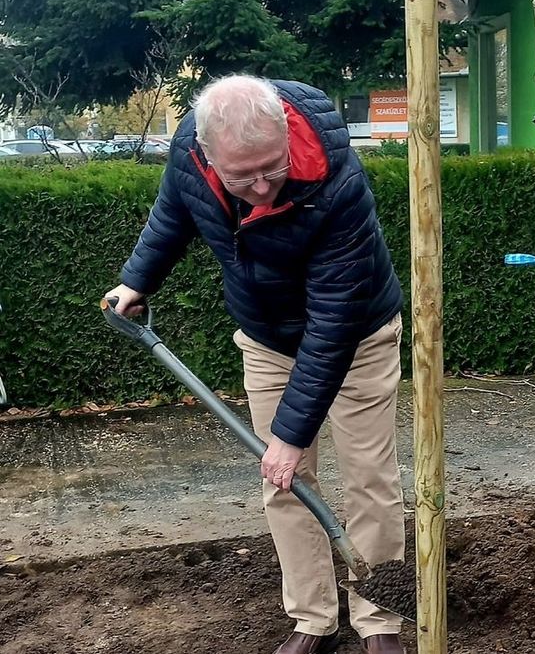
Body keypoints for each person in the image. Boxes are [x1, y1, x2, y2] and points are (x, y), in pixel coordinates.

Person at [106, 75, 408, 654]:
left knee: (369, 477)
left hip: (357, 335)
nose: (264, 187)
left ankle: (381, 622)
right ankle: (314, 619)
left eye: (273, 166)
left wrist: (292, 435)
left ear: (285, 136)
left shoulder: (335, 180)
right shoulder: (191, 151)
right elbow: (175, 209)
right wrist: (136, 281)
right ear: (207, 150)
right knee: (283, 481)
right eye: (243, 176)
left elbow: (333, 325)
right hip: (268, 340)